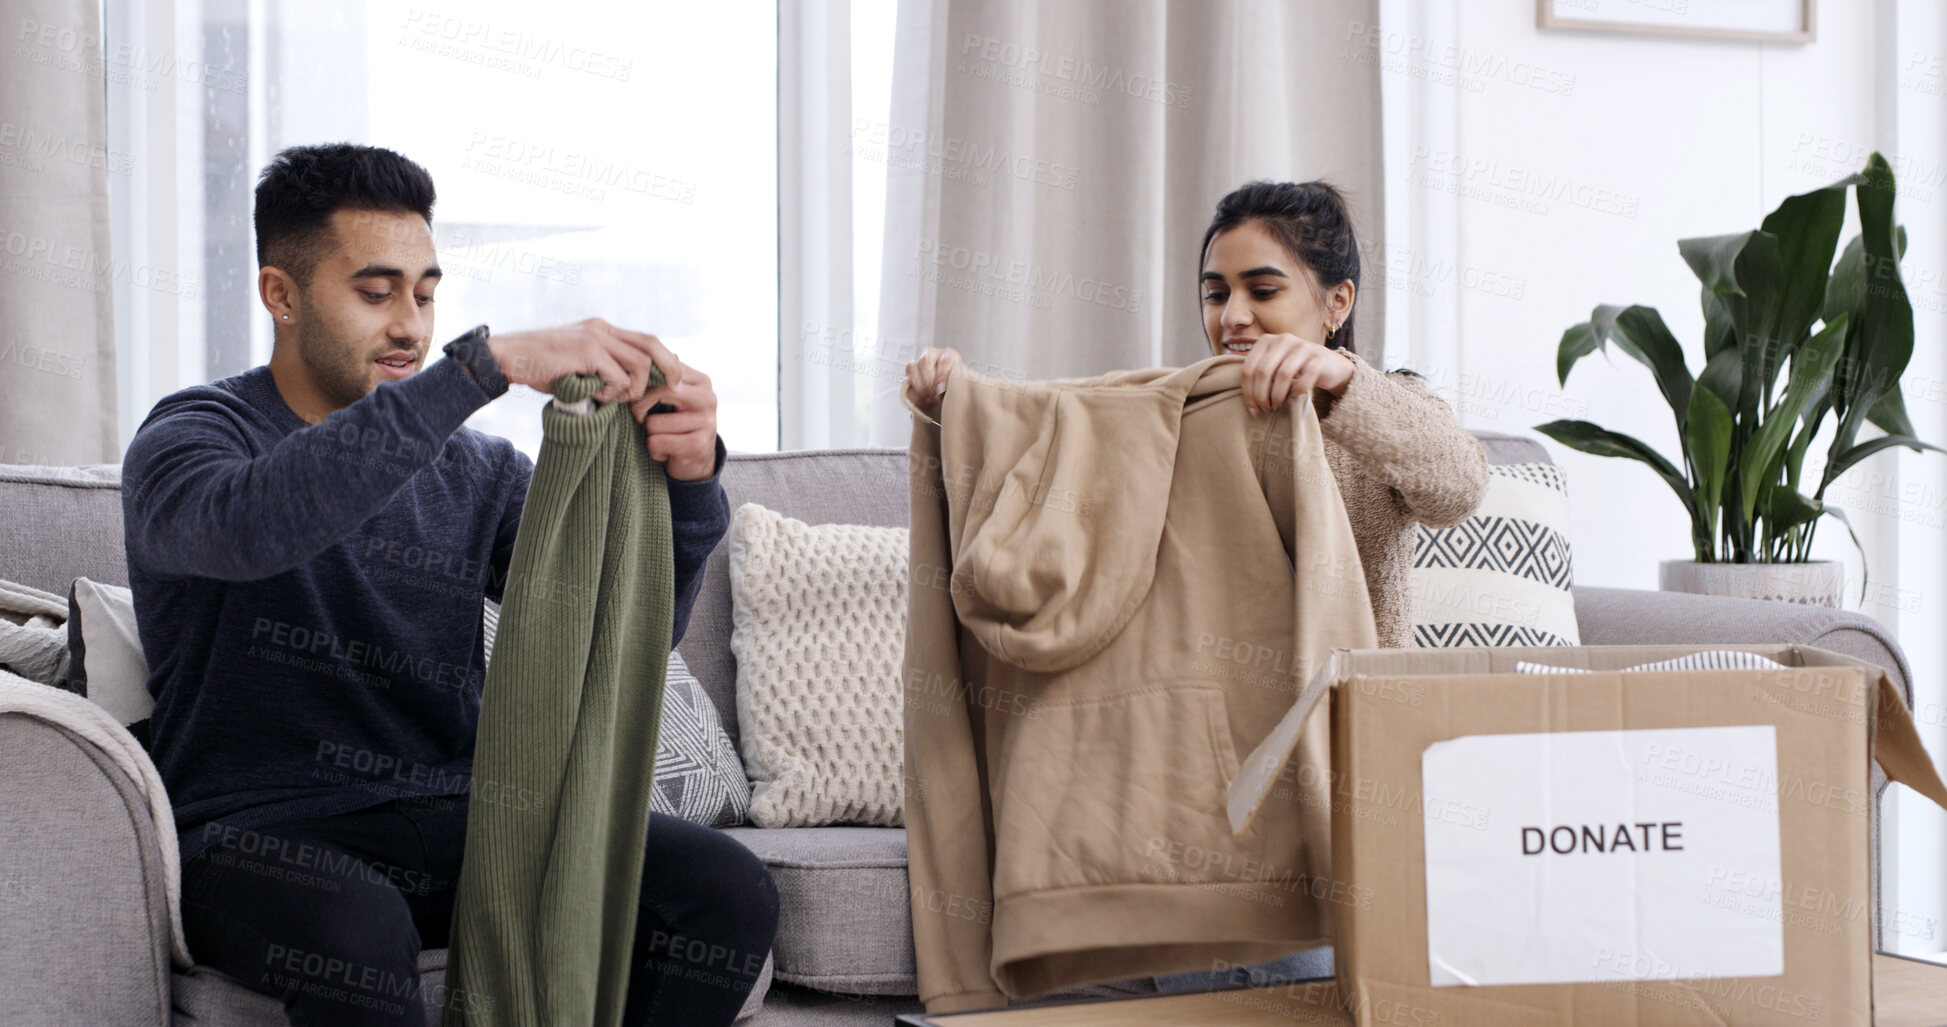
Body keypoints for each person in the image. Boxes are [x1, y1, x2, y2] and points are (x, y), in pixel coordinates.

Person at [123, 143, 776, 1026]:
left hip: (467, 816)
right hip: (257, 832)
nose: (410, 325)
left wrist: (692, 482)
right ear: (281, 294)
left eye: (425, 293)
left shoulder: (478, 471)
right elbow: (258, 526)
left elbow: (609, 640)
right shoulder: (193, 437)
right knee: (355, 928)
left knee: (723, 887)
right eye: (375, 290)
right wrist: (479, 367)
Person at [901, 179, 1488, 988]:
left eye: (1262, 289)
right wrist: (956, 406)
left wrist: (1336, 383)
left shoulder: (1375, 407)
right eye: (1215, 294)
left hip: (1341, 756)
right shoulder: (1169, 417)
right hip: (1194, 776)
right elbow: (1045, 438)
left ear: (1335, 301)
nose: (1233, 316)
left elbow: (1455, 480)